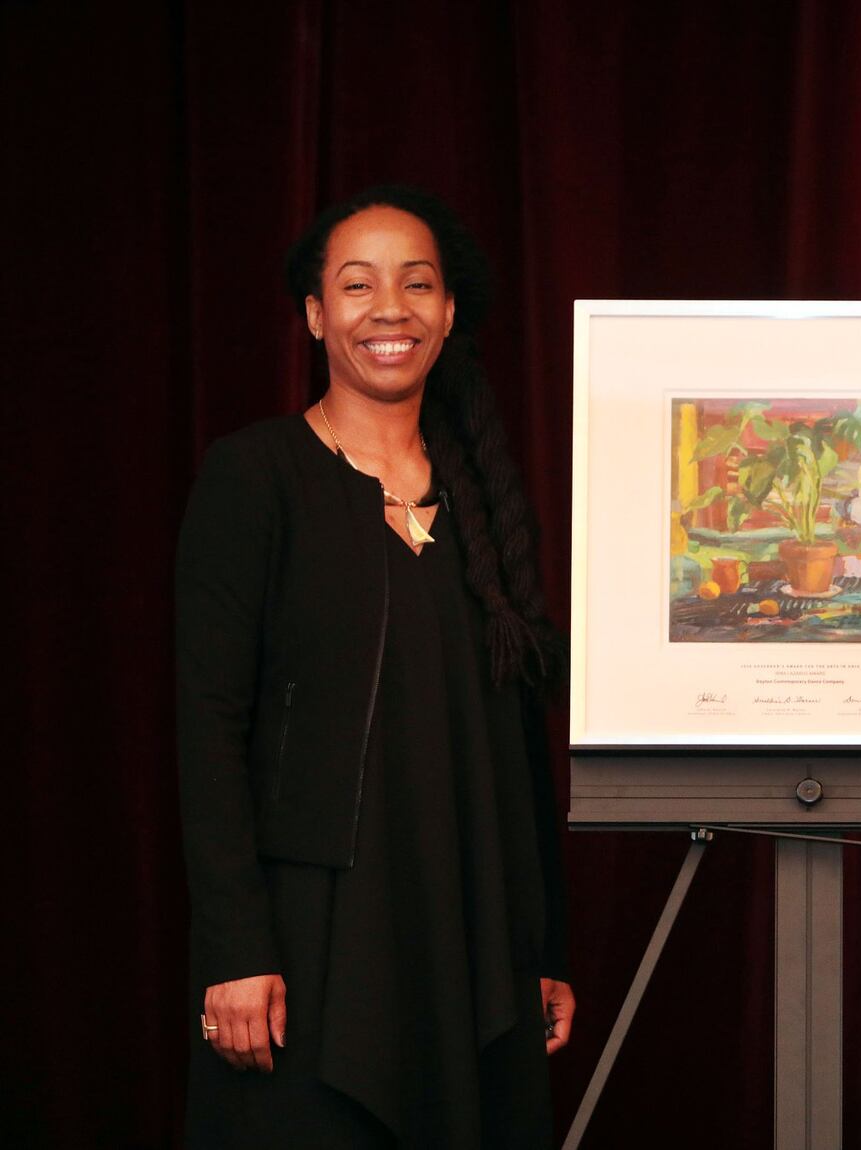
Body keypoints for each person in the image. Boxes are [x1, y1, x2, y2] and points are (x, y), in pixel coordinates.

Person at [177, 185, 573, 1148]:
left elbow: (522, 754)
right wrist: (235, 948)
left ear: (446, 316)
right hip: (309, 950)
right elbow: (206, 724)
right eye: (356, 286)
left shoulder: (488, 500)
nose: (387, 308)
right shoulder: (253, 476)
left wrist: (538, 947)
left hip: (469, 942)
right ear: (316, 316)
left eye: (416, 284)